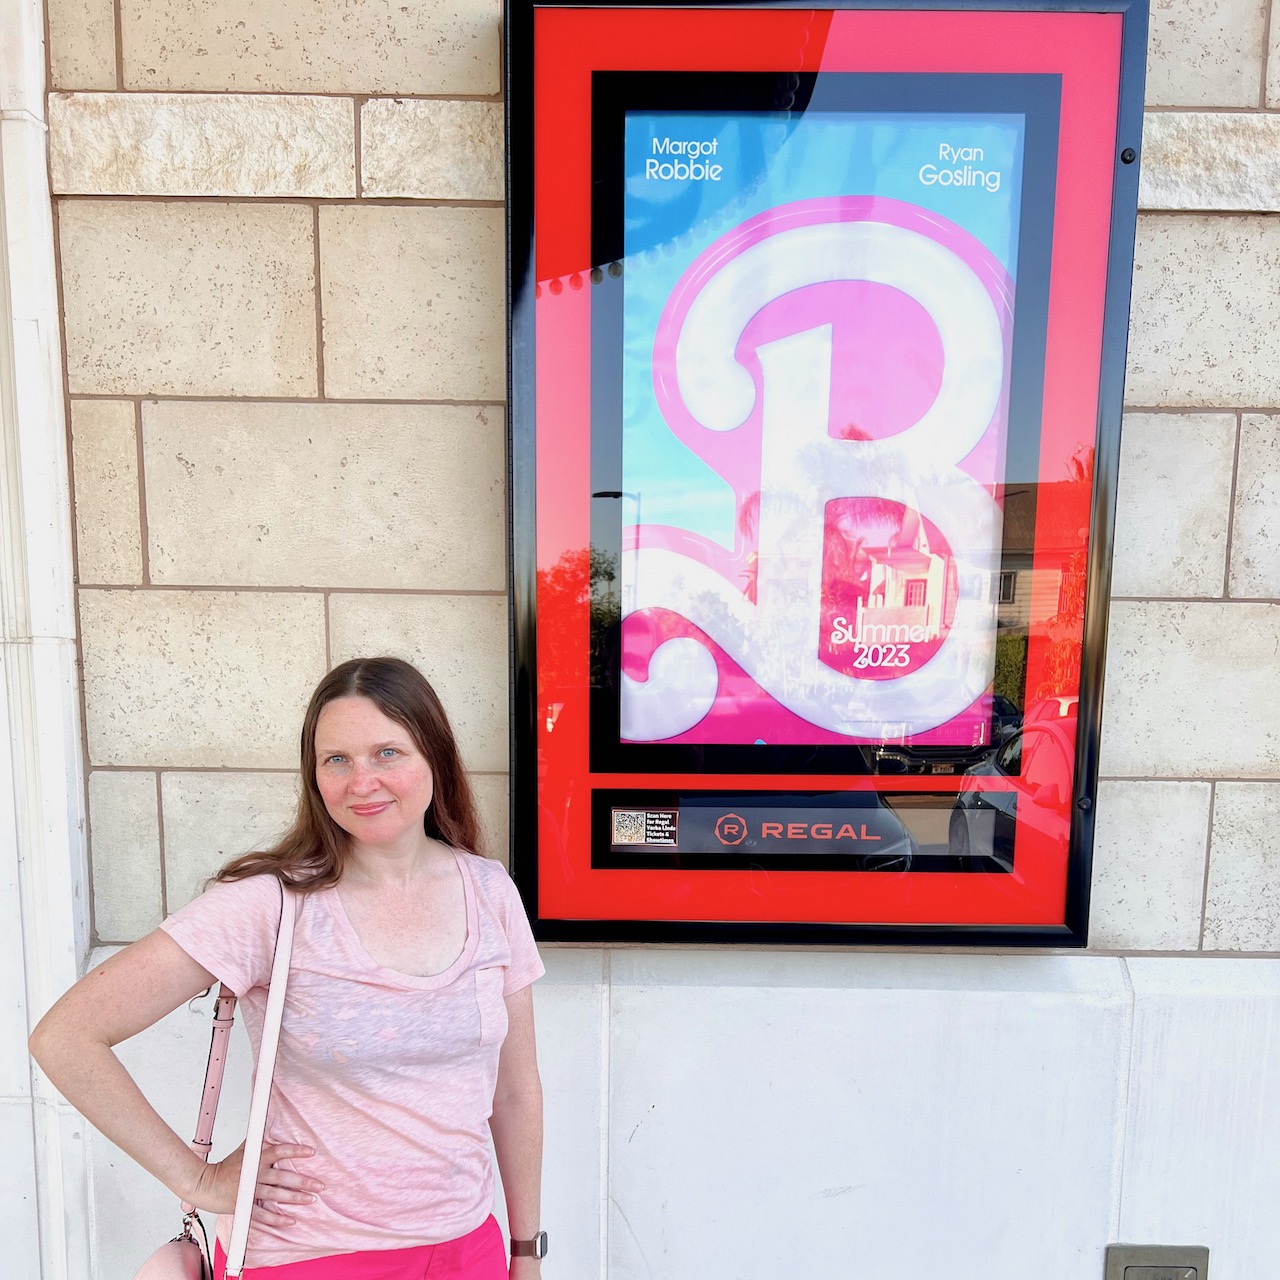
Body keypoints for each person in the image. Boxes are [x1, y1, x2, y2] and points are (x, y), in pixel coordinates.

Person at [29, 656, 546, 1279]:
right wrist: (198, 1179)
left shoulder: (490, 891)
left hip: (467, 1249)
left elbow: (515, 1093)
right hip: (312, 1256)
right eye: (337, 760)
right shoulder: (271, 904)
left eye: (387, 753)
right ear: (314, 775)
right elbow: (66, 1036)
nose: (363, 782)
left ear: (433, 756)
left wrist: (524, 1250)